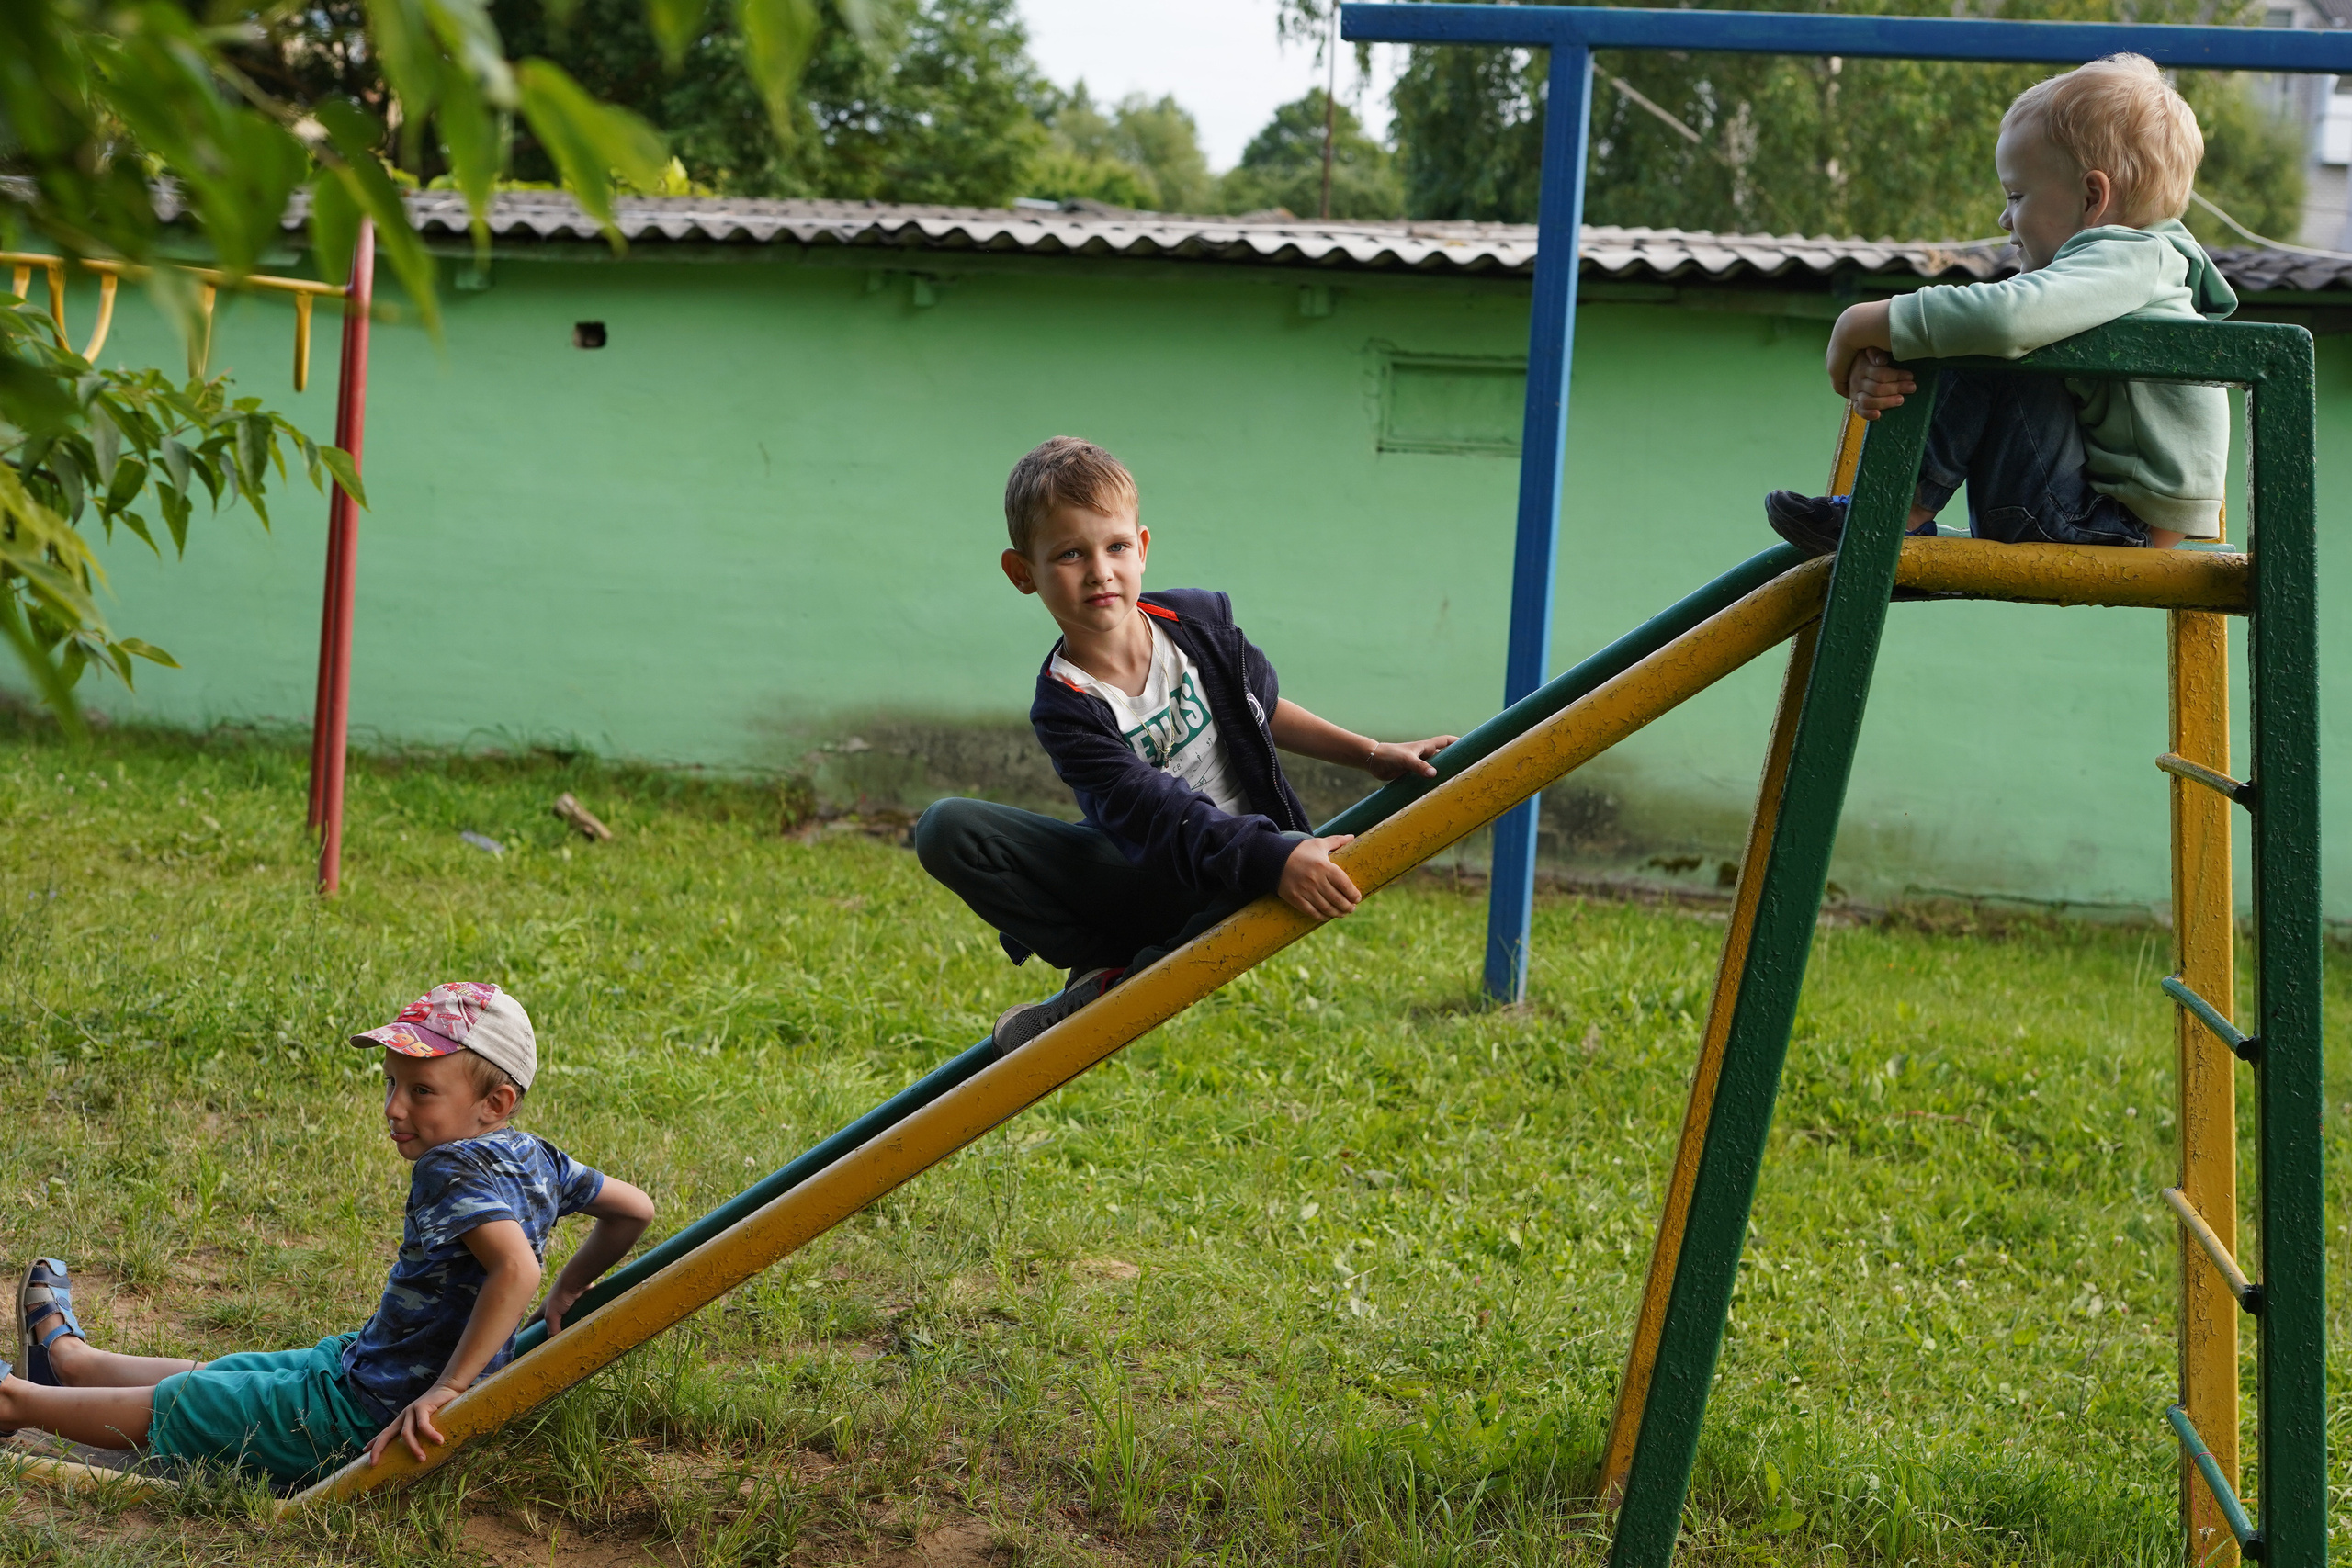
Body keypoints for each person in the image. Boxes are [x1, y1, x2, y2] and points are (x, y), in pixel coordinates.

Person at [917, 436, 1458, 1052]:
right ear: (1023, 573)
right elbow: (1153, 813)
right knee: (945, 828)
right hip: (1158, 861)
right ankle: (1104, 971)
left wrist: (1370, 752)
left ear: (1142, 548)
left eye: (1116, 546)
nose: (1100, 571)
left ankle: (1124, 978)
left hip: (1235, 869)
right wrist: (1275, 856)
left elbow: (1264, 709)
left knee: (1232, 899)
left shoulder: (1197, 626)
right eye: (1069, 554)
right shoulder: (1064, 706)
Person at [0, 982, 655, 1486]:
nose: (395, 1107)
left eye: (422, 1089)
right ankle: (69, 1366)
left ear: (496, 1103)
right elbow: (635, 1209)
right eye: (393, 1083)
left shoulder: (447, 1165)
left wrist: (450, 1389)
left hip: (364, 1417)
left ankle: (16, 1403)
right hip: (368, 1365)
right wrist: (574, 1285)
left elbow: (515, 1269)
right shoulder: (540, 1156)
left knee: (195, 1405)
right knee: (236, 1374)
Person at [1766, 53, 2233, 555]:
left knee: (1986, 329)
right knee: (1975, 323)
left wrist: (1859, 323)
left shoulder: (2129, 255)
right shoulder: (2140, 266)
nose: (2003, 219)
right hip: (2107, 512)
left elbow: (2004, 319)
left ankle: (1894, 514)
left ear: (2092, 198)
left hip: (2109, 521)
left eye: (2016, 196)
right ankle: (1899, 516)